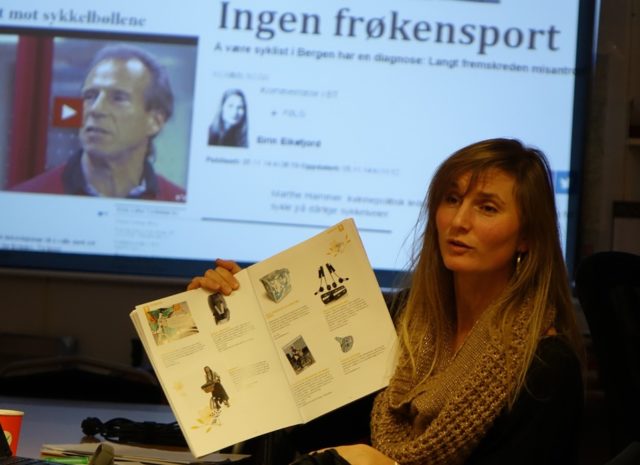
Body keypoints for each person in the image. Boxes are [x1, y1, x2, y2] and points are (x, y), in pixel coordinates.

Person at [187, 138, 585, 465]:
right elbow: (306, 425)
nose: (459, 221)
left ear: (526, 237)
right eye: (451, 199)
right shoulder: (398, 319)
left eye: (487, 207)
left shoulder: (545, 366)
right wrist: (233, 316)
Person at [12, 44, 186, 201]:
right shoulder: (29, 199)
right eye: (90, 96)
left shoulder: (176, 202)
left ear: (155, 122)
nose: (96, 109)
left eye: (118, 98)